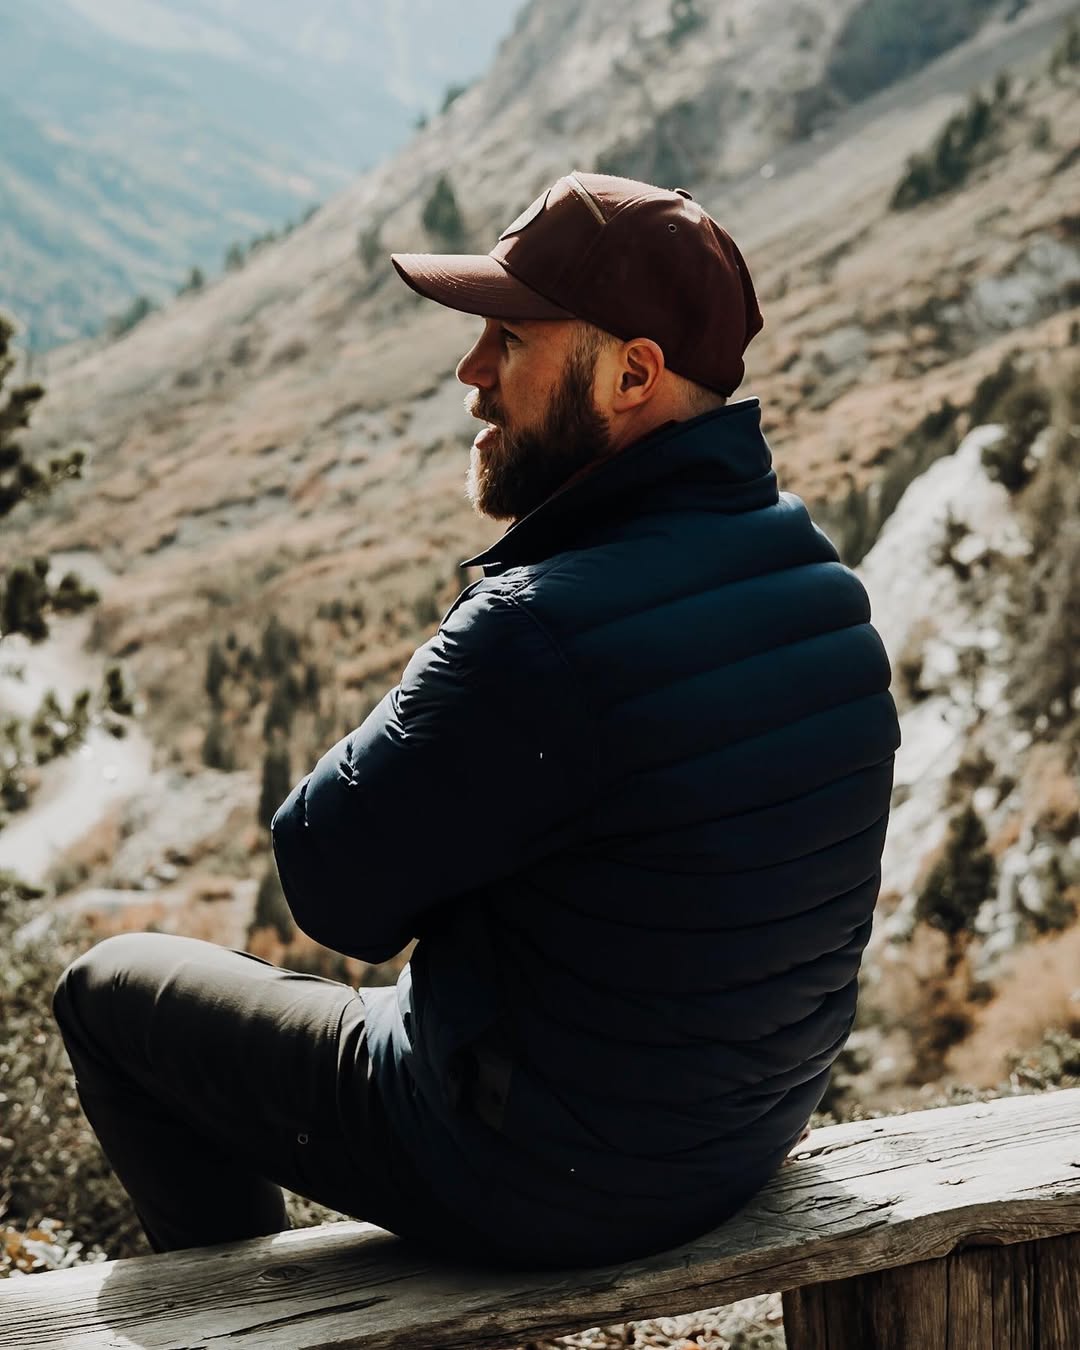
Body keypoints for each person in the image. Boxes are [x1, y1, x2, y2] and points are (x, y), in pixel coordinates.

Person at [52, 171, 900, 1271]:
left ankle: (238, 1327)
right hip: (740, 1137)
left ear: (632, 374)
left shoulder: (541, 631)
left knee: (109, 992)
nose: (471, 373)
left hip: (536, 1181)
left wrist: (455, 669)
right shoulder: (823, 588)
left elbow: (328, 887)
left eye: (509, 340)